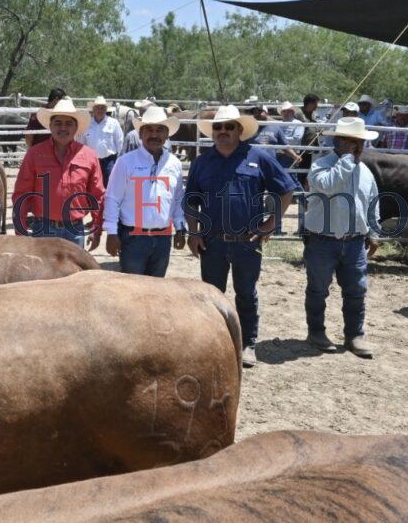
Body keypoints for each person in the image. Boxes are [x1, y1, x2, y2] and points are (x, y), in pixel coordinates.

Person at [184, 105, 297, 367]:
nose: (222, 131)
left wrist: (271, 222)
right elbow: (191, 201)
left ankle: (248, 343)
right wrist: (193, 231)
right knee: (212, 294)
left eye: (228, 127)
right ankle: (214, 342)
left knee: (246, 294)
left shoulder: (258, 157)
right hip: (211, 240)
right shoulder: (202, 161)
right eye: (218, 127)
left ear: (239, 130)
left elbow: (287, 190)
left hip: (248, 241)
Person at [303, 117, 381, 359]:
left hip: (355, 240)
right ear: (339, 142)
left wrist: (374, 231)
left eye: (360, 142)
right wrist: (347, 159)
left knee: (356, 290)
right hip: (322, 239)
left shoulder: (365, 171)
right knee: (318, 289)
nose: (359, 147)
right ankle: (316, 332)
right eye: (354, 142)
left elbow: (372, 203)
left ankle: (354, 335)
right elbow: (327, 185)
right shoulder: (321, 166)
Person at [103, 106, 186, 276]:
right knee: (132, 292)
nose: (154, 135)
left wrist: (180, 227)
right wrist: (111, 232)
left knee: (156, 290)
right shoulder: (125, 162)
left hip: (163, 238)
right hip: (133, 238)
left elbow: (177, 199)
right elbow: (112, 198)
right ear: (140, 134)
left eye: (160, 130)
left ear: (167, 135)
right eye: (149, 129)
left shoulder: (174, 164)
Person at [13, 97, 104, 249]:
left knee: (76, 273)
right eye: (58, 123)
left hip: (75, 230)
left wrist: (97, 228)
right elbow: (21, 194)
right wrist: (20, 230)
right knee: (43, 273)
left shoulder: (89, 156)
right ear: (50, 126)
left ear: (76, 127)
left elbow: (97, 195)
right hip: (43, 229)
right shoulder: (34, 154)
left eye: (69, 123)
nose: (63, 128)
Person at [79, 96, 123, 186]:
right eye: (97, 108)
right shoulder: (87, 124)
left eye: (102, 108)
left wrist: (118, 162)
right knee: (92, 185)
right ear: (93, 109)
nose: (100, 110)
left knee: (110, 185)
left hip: (109, 161)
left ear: (106, 109)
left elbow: (120, 142)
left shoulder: (113, 123)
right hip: (91, 161)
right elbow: (81, 143)